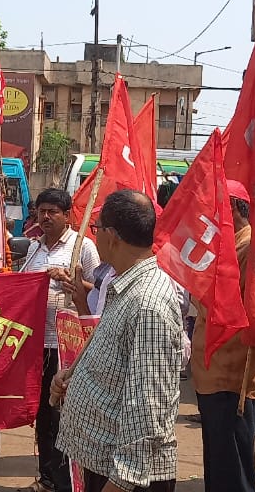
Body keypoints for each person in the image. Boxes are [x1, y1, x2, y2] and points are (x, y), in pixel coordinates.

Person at [54, 190, 182, 492]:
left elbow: (148, 407)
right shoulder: (124, 286)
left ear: (111, 236)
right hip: (104, 465)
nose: (94, 236)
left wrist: (121, 481)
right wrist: (73, 379)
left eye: (96, 229)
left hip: (126, 478)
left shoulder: (148, 304)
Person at [189, 179, 255, 492]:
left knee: (232, 468)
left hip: (233, 378)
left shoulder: (248, 247)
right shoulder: (226, 245)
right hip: (213, 374)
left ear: (231, 208)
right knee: (219, 463)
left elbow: (228, 307)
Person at [19, 188, 100, 492]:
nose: (46, 217)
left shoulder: (84, 247)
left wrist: (71, 280)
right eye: (42, 211)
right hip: (37, 343)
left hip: (67, 346)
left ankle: (65, 480)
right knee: (41, 411)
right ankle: (47, 478)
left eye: (53, 211)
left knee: (60, 414)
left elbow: (100, 289)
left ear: (67, 216)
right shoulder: (33, 249)